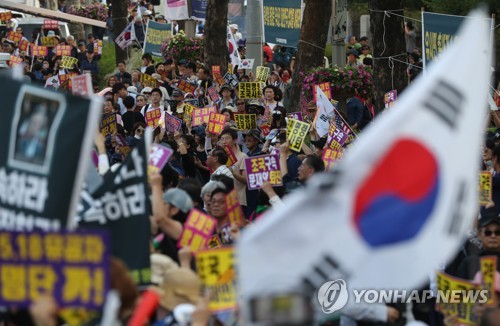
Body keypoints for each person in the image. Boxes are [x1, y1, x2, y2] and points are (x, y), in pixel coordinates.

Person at [219, 128, 248, 208]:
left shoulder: (243, 157)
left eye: (227, 138)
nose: (224, 141)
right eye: (222, 139)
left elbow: (246, 180)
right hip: (223, 201)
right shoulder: (221, 157)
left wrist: (233, 172)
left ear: (235, 140)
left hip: (238, 200)